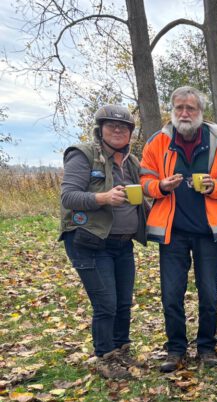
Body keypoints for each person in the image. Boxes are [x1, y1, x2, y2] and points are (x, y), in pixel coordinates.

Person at [140, 86, 217, 372]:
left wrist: (214, 186)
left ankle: (206, 348)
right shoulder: (157, 142)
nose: (184, 113)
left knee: (209, 294)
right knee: (171, 295)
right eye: (179, 108)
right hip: (173, 232)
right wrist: (160, 186)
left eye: (190, 108)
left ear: (200, 112)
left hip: (209, 232)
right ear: (172, 110)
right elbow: (144, 178)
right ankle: (176, 349)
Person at [59, 104, 147, 380]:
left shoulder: (131, 162)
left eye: (124, 127)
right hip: (90, 242)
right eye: (112, 126)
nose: (118, 130)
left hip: (123, 243)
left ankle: (121, 349)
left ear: (131, 133)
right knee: (106, 303)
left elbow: (145, 192)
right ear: (100, 129)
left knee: (123, 302)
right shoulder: (83, 155)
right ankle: (105, 357)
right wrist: (103, 198)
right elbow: (68, 197)